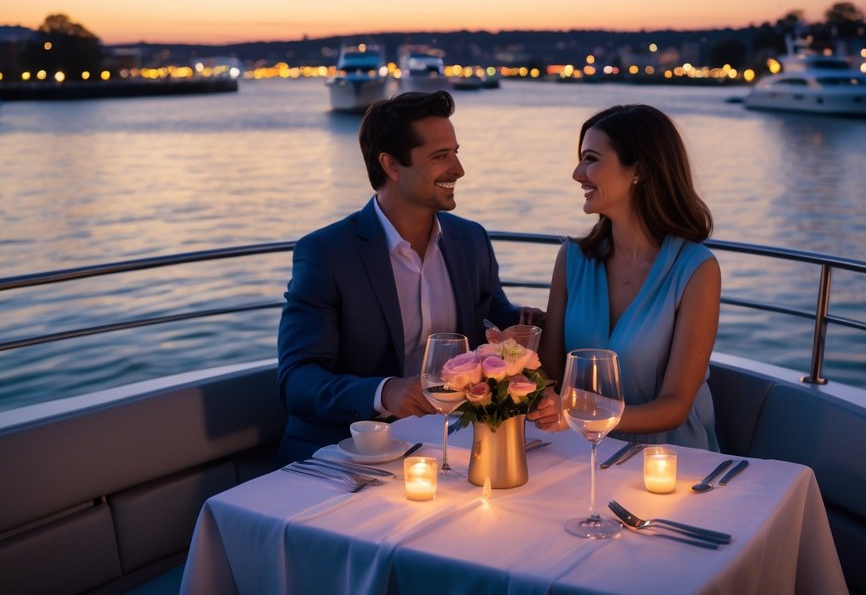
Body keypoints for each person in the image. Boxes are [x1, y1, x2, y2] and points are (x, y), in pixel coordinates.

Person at [276, 90, 534, 462]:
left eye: (456, 152)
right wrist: (385, 392)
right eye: (440, 156)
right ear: (392, 166)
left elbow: (496, 318)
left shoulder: (471, 240)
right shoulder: (327, 253)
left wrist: (526, 325)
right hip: (347, 454)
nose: (459, 169)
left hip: (448, 446)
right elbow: (296, 381)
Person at [531, 104, 721, 450]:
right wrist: (519, 350)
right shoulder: (572, 259)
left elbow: (676, 406)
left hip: (668, 459)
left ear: (640, 171)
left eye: (591, 159)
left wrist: (583, 412)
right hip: (579, 450)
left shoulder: (696, 269)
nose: (577, 173)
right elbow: (554, 377)